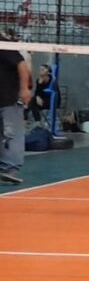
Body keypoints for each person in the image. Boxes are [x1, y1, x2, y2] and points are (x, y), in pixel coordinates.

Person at [0, 38, 30, 184]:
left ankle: (11, 169)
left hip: (9, 98)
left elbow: (22, 64)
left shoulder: (4, 45)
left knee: (12, 134)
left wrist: (24, 89)